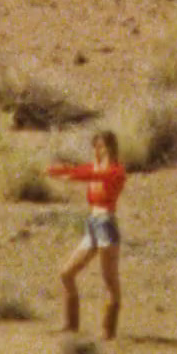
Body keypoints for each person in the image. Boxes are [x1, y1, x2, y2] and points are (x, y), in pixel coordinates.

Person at [47, 131, 127, 341]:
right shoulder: (96, 168)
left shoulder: (117, 171)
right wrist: (48, 171)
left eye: (101, 147)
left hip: (106, 225)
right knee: (66, 273)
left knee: (110, 280)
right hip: (92, 224)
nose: (97, 151)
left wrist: (69, 176)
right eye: (95, 146)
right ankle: (71, 326)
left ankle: (108, 332)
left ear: (111, 148)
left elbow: (92, 175)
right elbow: (77, 171)